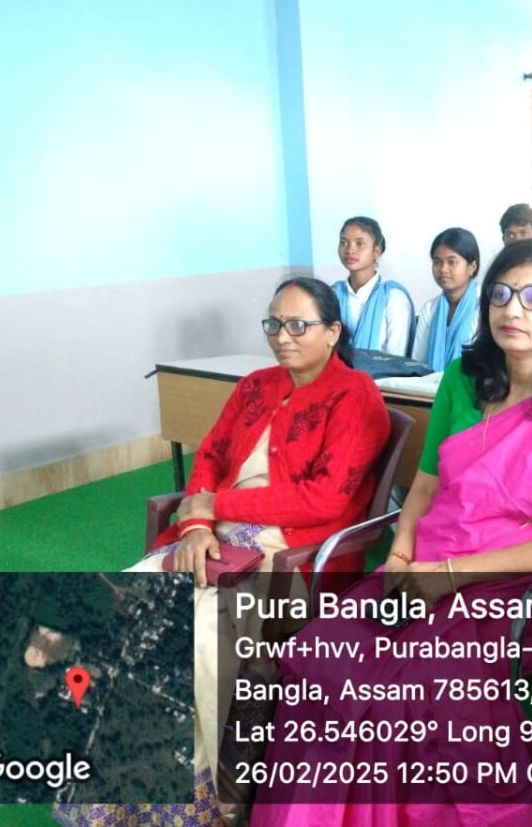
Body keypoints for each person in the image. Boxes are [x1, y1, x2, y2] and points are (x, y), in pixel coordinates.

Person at [252, 239, 532, 825]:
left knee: (417, 698)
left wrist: (451, 575)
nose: (512, 309)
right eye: (501, 294)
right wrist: (400, 557)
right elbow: (424, 487)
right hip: (427, 558)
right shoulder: (465, 378)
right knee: (321, 661)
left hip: (518, 580)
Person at [55, 277, 390, 827]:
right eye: (274, 324)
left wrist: (216, 504)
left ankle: (203, 798)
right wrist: (195, 524)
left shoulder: (355, 397)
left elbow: (324, 498)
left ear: (333, 332)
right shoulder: (255, 386)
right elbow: (209, 456)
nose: (282, 336)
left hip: (292, 555)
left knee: (197, 642)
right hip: (215, 536)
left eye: (298, 325)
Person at [333, 216, 414, 355]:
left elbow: (396, 357)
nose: (350, 250)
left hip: (385, 370)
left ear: (376, 252)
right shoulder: (332, 294)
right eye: (344, 242)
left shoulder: (394, 297)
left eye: (360, 243)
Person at [411, 227, 481, 370]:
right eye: (437, 262)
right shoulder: (429, 309)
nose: (443, 269)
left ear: (472, 267)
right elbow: (417, 363)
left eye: (452, 262)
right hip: (427, 384)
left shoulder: (484, 308)